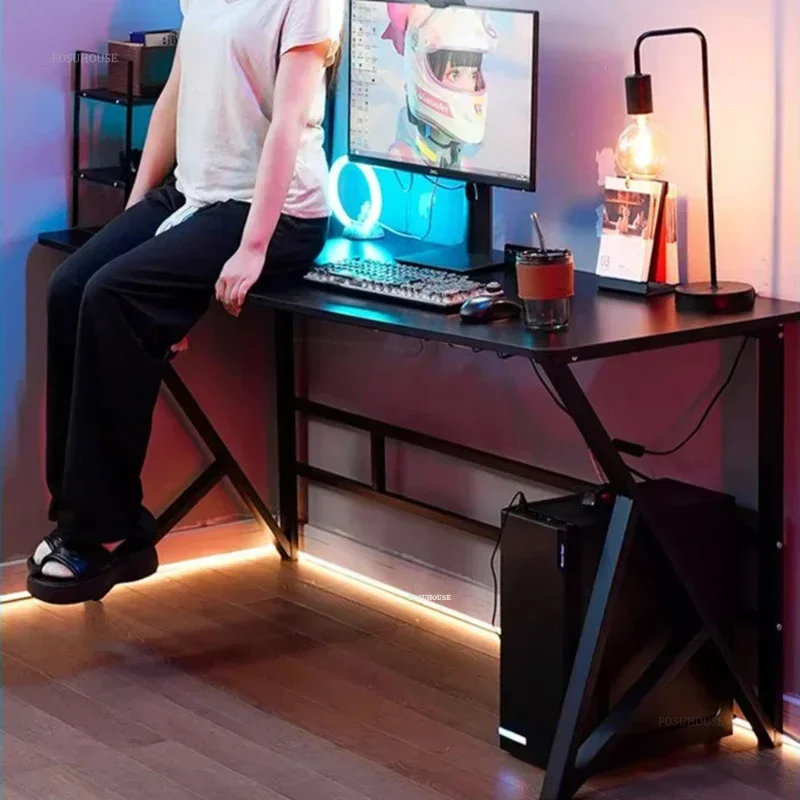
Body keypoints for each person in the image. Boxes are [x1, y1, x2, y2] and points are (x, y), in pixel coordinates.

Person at [27, 0, 342, 605]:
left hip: (273, 214)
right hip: (192, 195)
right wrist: (132, 223)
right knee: (71, 287)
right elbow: (175, 91)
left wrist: (254, 248)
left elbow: (288, 122)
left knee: (113, 297)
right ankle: (76, 518)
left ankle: (104, 533)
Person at [382, 3, 496, 169]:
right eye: (454, 74)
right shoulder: (402, 156)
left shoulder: (463, 164)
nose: (468, 86)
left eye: (473, 75)